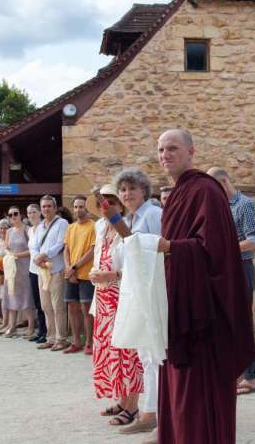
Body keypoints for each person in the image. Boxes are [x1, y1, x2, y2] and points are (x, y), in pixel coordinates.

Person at [153, 129, 255, 443]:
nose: (165, 154)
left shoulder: (205, 190)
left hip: (203, 314)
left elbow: (214, 250)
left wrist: (170, 247)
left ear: (191, 151)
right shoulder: (178, 193)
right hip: (178, 305)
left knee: (199, 393)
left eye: (172, 148)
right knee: (179, 392)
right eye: (160, 150)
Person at [88, 184, 144, 427]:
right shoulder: (101, 229)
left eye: (110, 201)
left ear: (119, 205)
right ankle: (121, 400)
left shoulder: (127, 228)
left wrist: (113, 275)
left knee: (126, 350)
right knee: (110, 349)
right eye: (103, 201)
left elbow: (136, 263)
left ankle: (132, 406)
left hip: (121, 295)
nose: (105, 206)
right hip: (102, 297)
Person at [113, 168, 163, 437]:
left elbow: (161, 250)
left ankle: (155, 415)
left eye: (132, 188)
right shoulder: (128, 219)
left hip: (151, 289)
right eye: (123, 190)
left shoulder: (153, 215)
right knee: (145, 355)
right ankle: (150, 411)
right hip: (135, 289)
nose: (127, 193)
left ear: (144, 190)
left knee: (155, 354)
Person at [207, 166, 255, 397]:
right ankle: (238, 374)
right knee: (229, 323)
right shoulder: (221, 207)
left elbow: (254, 241)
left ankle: (251, 378)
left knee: (242, 322)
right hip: (227, 269)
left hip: (242, 268)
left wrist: (224, 249)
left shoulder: (244, 205)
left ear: (223, 183)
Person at [31, 195, 69, 350]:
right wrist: (36, 258)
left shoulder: (62, 223)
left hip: (56, 269)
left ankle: (62, 338)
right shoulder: (39, 227)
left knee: (57, 306)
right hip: (42, 271)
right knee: (46, 306)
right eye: (43, 206)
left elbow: (61, 243)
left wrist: (44, 255)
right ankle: (51, 337)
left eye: (49, 206)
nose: (46, 209)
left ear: (55, 207)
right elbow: (33, 246)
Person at [63, 196, 96, 354]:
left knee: (86, 308)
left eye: (81, 207)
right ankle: (76, 341)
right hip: (71, 273)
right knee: (72, 307)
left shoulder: (93, 226)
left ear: (87, 208)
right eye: (75, 207)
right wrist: (68, 268)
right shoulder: (71, 227)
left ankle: (89, 342)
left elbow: (92, 251)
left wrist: (74, 267)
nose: (78, 210)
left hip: (86, 274)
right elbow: (66, 250)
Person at [1, 207, 32, 337]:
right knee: (11, 293)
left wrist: (17, 255)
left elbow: (32, 249)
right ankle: (12, 325)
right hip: (11, 268)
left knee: (27, 294)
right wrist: (9, 253)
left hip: (24, 267)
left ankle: (31, 325)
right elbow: (6, 247)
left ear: (21, 215)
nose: (13, 216)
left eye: (15, 213)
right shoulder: (8, 231)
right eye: (10, 214)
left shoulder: (27, 230)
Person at [26, 203, 47, 343]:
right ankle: (41, 330)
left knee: (44, 303)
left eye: (34, 212)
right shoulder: (30, 230)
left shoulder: (43, 228)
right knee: (37, 302)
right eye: (29, 213)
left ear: (39, 212)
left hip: (42, 269)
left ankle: (46, 331)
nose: (32, 215)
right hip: (32, 269)